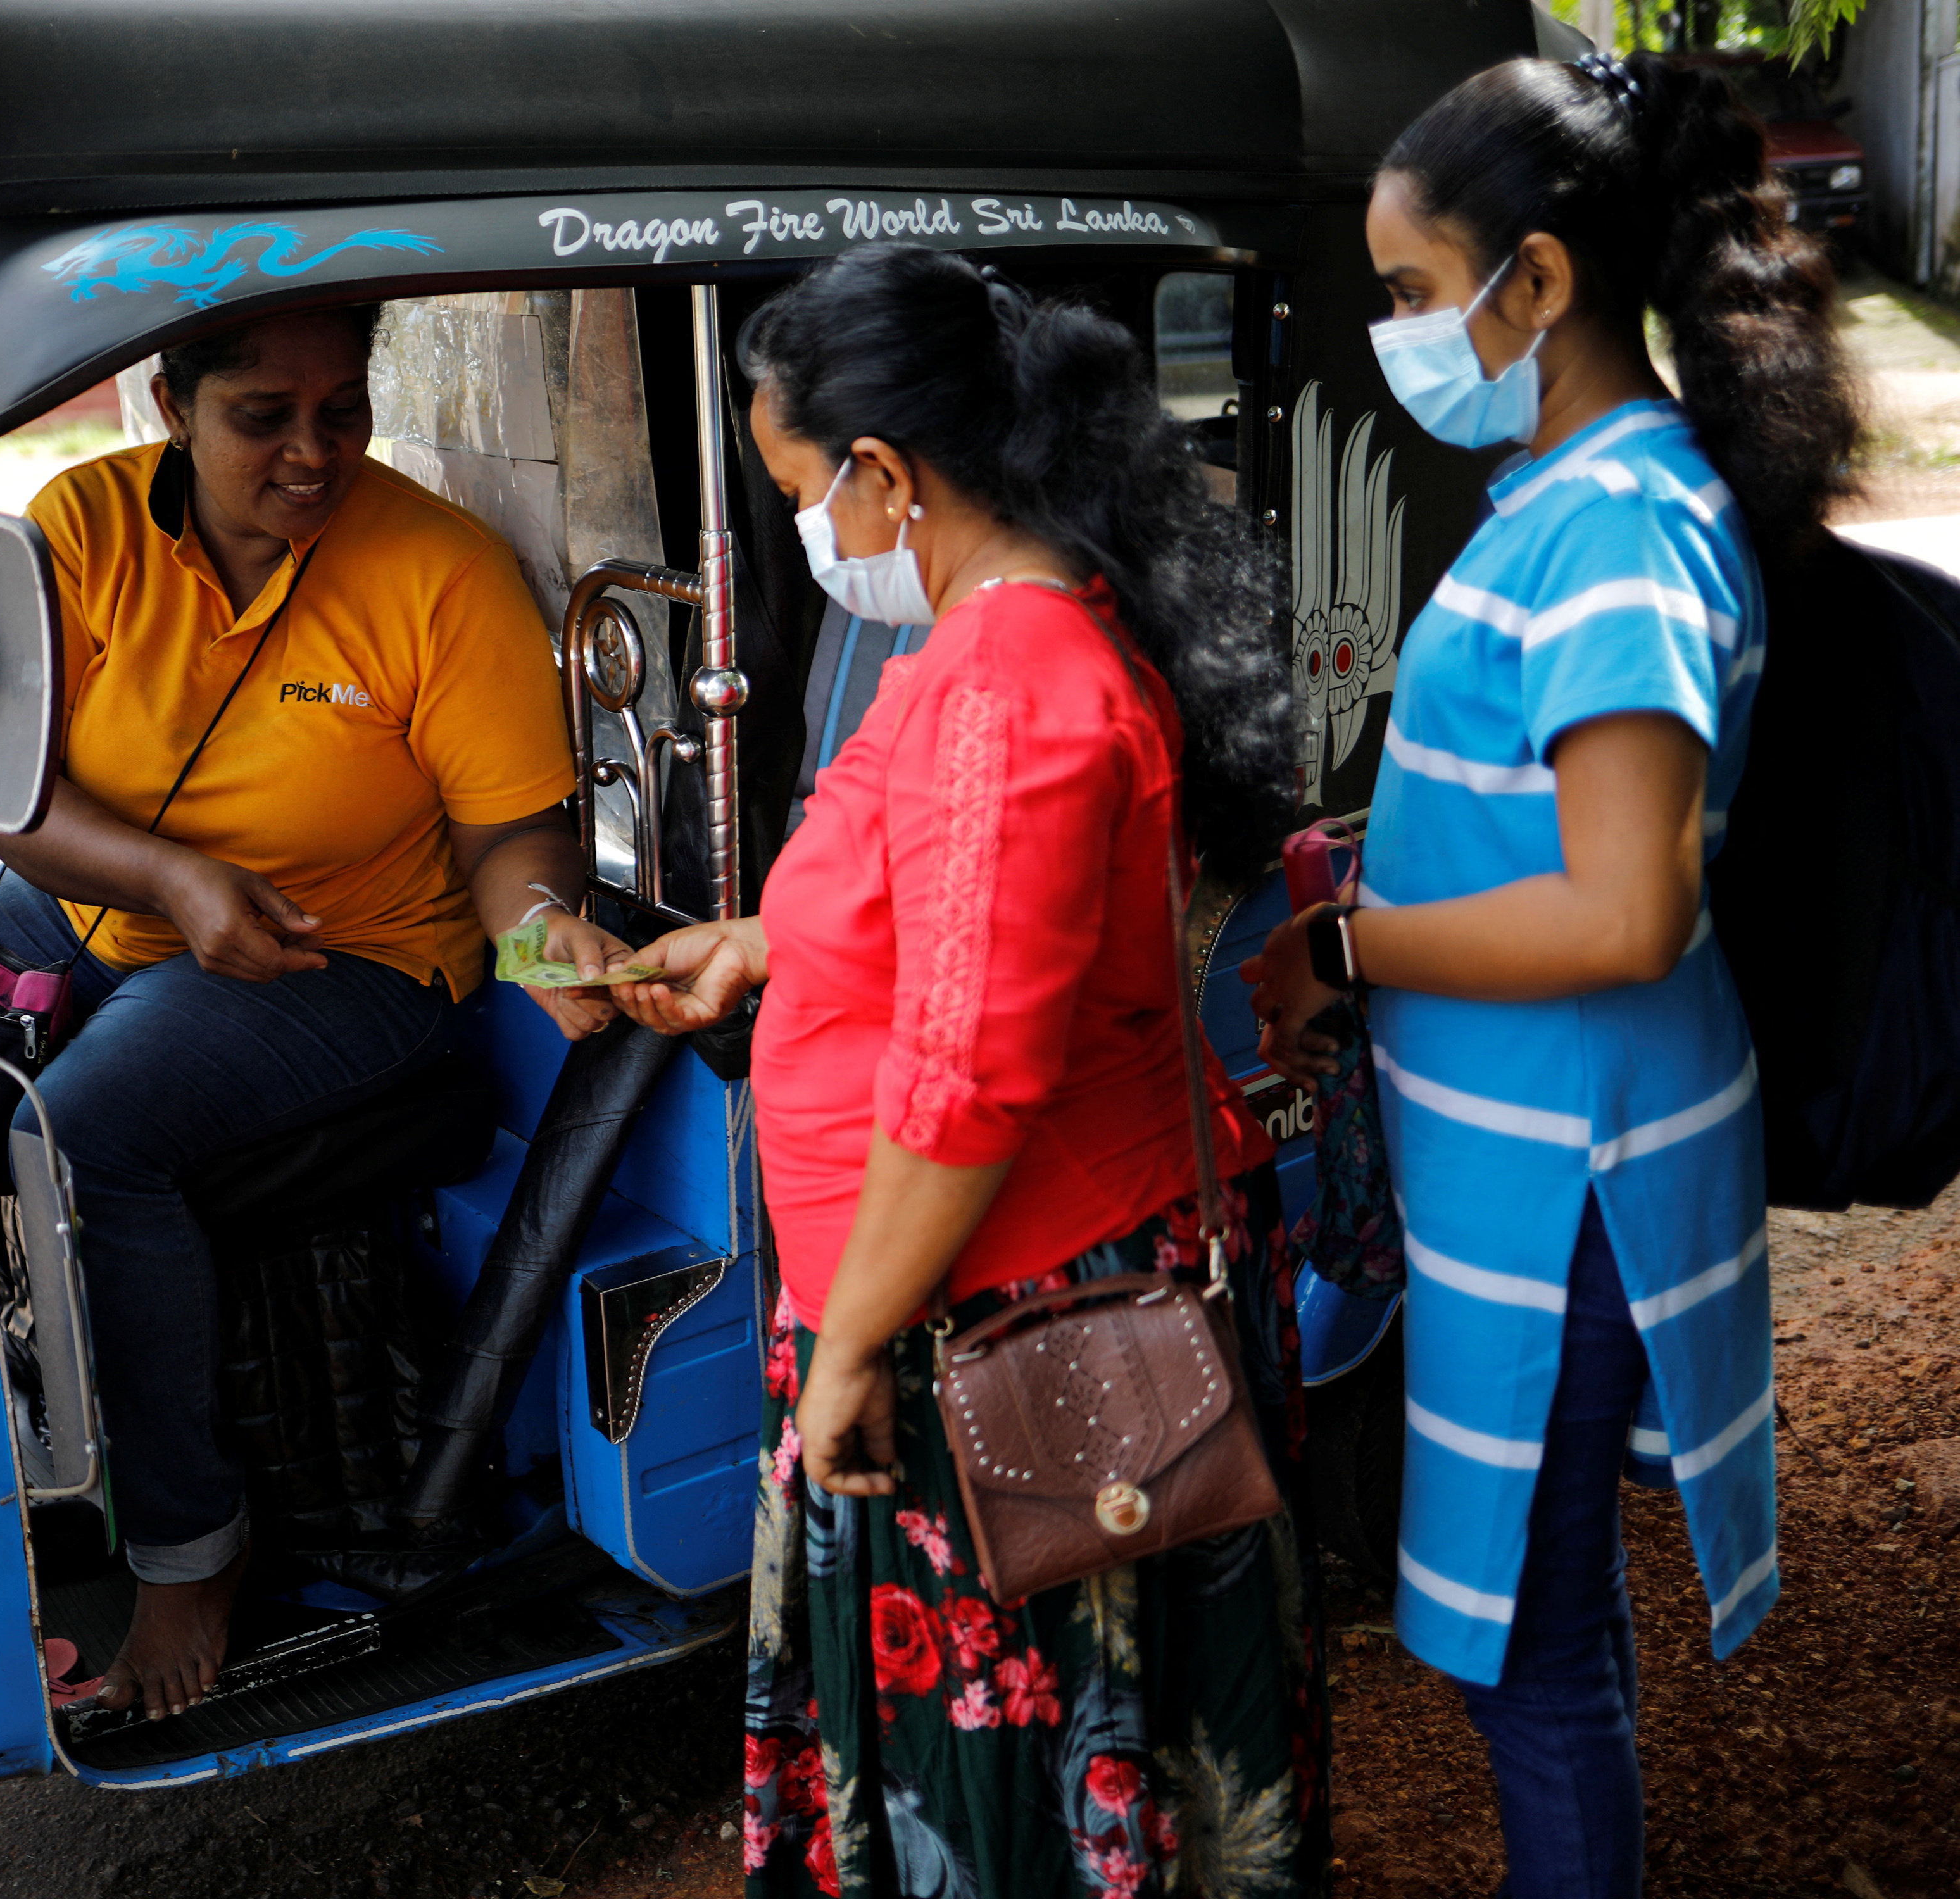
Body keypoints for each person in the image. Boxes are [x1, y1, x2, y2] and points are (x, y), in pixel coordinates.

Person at [607, 245, 1321, 1898]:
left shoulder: (1011, 690)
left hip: (1019, 1318)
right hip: (959, 1289)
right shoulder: (980, 652)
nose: (812, 538)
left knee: (1021, 1766)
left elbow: (970, 1075)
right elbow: (949, 907)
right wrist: (757, 947)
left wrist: (851, 1345)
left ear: (882, 473)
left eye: (803, 495)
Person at [1242, 52, 1857, 1896]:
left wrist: (1352, 946)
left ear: (1540, 284)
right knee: (1539, 1605)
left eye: (1418, 293)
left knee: (1525, 1634)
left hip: (1571, 1175)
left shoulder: (1620, 532)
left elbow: (1623, 910)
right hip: (1522, 1157)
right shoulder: (1569, 492)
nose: (1399, 333)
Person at [0, 301, 638, 1722]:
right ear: (169, 406)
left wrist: (545, 947)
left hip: (357, 960)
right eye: (265, 416)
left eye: (344, 409)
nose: (314, 452)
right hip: (112, 908)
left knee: (82, 1137)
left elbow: (512, 844)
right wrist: (168, 878)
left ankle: (191, 1550)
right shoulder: (74, 529)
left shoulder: (438, 571)